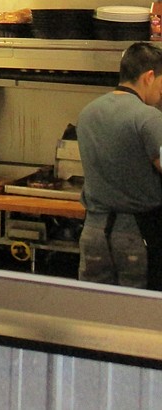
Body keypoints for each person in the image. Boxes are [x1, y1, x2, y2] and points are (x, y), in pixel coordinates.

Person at [77, 41, 162, 290]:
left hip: (93, 232)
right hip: (136, 236)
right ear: (148, 77)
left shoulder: (88, 113)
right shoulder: (148, 118)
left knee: (94, 310)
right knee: (137, 316)